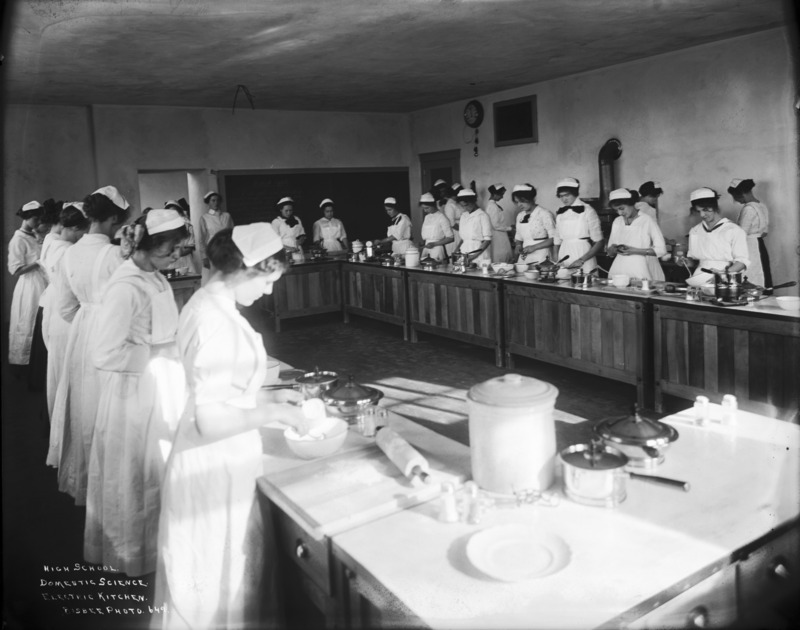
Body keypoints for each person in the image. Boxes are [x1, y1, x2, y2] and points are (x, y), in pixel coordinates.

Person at [153, 224, 305, 629]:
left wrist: (269, 400)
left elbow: (219, 394)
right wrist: (274, 415)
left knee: (218, 575)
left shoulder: (206, 303)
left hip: (210, 456)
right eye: (268, 281)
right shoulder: (216, 322)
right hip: (212, 463)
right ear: (247, 269)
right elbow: (211, 420)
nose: (268, 291)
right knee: (216, 580)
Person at [84, 209, 187, 577]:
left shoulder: (155, 277)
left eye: (179, 249)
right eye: (171, 250)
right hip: (132, 392)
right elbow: (104, 352)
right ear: (148, 246)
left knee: (157, 472)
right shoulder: (124, 287)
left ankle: (158, 546)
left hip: (160, 383)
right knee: (133, 475)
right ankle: (133, 552)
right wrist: (157, 353)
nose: (177, 256)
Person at [52, 185, 129, 505]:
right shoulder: (115, 255)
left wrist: (88, 321)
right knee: (114, 405)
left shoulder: (69, 253)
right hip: (113, 332)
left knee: (86, 403)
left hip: (83, 334)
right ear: (113, 219)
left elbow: (64, 308)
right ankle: (113, 481)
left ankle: (86, 478)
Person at [42, 203, 89, 433]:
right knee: (67, 375)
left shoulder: (53, 242)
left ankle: (60, 428)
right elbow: (71, 295)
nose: (83, 237)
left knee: (59, 373)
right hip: (65, 314)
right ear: (73, 228)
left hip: (55, 309)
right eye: (83, 232)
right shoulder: (67, 252)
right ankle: (67, 430)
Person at [676, 187, 749, 285]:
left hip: (725, 278)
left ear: (715, 206)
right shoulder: (695, 231)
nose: (702, 215)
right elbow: (693, 260)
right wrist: (685, 262)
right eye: (698, 211)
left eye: (705, 210)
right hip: (699, 277)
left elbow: (742, 262)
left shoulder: (733, 230)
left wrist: (722, 275)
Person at [7, 201, 47, 371]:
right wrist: (39, 262)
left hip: (40, 283)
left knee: (38, 321)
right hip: (29, 285)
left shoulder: (34, 235)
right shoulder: (18, 239)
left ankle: (36, 362)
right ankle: (23, 364)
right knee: (27, 321)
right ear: (27, 218)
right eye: (36, 219)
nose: (38, 223)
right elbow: (16, 270)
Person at [606, 188, 667, 281]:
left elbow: (661, 250)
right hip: (619, 269)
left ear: (631, 203)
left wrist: (635, 251)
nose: (620, 213)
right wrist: (613, 249)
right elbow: (610, 252)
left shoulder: (646, 220)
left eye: (622, 208)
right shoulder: (617, 222)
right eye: (616, 210)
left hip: (642, 268)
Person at [728, 178, 772, 289]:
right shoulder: (762, 206)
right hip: (760, 243)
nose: (736, 200)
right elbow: (764, 232)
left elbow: (742, 233)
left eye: (736, 197)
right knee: (762, 271)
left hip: (749, 245)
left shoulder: (748, 209)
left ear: (742, 194)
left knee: (750, 274)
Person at [553, 177, 605, 271]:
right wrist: (556, 259)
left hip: (583, 253)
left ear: (575, 193)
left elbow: (599, 241)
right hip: (563, 253)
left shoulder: (588, 210)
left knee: (583, 278)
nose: (564, 199)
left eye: (567, 195)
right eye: (561, 196)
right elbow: (556, 240)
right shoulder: (560, 212)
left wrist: (581, 260)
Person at [512, 183, 556, 264]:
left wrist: (534, 247)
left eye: (522, 201)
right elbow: (518, 236)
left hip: (542, 254)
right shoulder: (520, 216)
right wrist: (518, 245)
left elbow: (554, 238)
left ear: (531, 198)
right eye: (517, 202)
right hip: (525, 254)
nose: (519, 205)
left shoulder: (544, 214)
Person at [198, 192, 234, 270]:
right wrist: (204, 257)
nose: (216, 203)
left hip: (226, 249)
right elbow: (201, 240)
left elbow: (233, 234)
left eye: (218, 200)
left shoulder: (227, 216)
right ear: (208, 202)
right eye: (213, 200)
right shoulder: (204, 218)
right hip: (212, 249)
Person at [455, 188, 492, 264]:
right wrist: (456, 251)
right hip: (464, 251)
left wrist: (472, 257)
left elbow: (487, 240)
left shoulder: (482, 215)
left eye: (466, 205)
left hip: (478, 252)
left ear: (473, 202)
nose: (465, 208)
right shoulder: (463, 216)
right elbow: (464, 238)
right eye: (462, 206)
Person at [165, 199, 199, 274]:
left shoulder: (187, 225)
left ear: (179, 211)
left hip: (185, 260)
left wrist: (177, 254)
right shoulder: (165, 228)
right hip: (171, 262)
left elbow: (190, 247)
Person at [418, 192, 454, 261]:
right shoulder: (427, 217)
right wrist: (423, 244)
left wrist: (434, 244)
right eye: (423, 208)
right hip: (427, 248)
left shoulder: (442, 217)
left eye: (427, 208)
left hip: (437, 248)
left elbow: (450, 238)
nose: (425, 210)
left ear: (433, 205)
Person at [485, 184, 514, 263]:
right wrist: (510, 228)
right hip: (497, 235)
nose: (502, 197)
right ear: (495, 194)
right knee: (501, 255)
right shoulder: (493, 206)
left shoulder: (492, 205)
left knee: (502, 255)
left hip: (499, 233)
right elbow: (495, 225)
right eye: (501, 195)